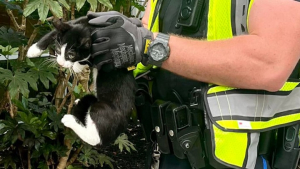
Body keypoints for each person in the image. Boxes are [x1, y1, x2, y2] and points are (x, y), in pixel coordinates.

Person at [87, 0, 300, 168]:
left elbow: (270, 63)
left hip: (237, 157)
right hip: (167, 150)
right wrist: (115, 41)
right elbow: (149, 30)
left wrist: (151, 47)